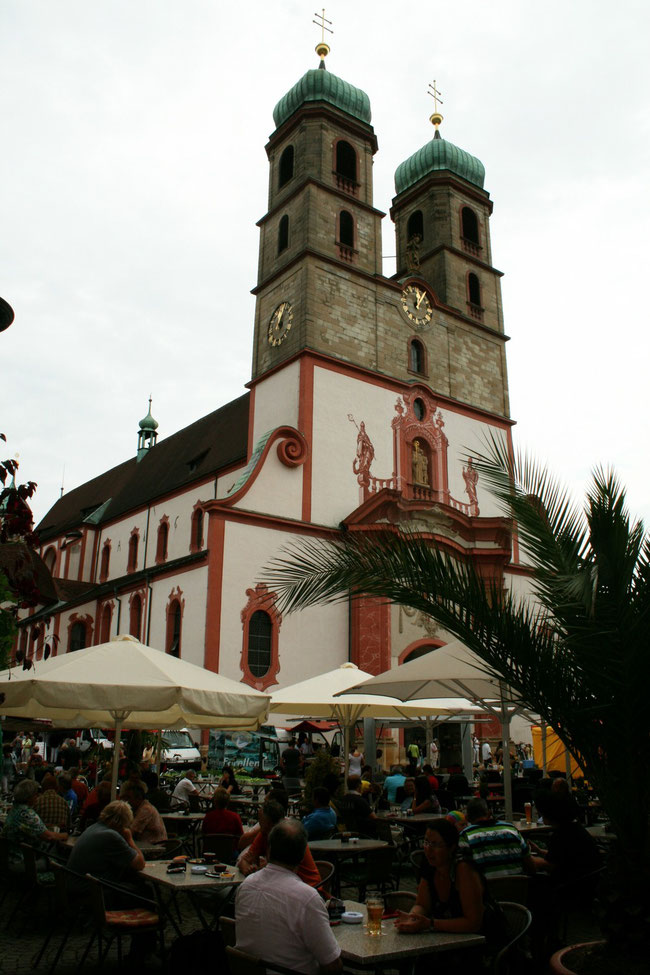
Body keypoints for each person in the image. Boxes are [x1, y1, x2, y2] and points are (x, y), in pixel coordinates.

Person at [236, 818, 342, 975]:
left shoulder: (245, 886)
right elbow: (332, 964)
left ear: (269, 850)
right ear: (302, 856)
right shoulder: (307, 899)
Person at [395, 819, 487, 938]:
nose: (428, 849)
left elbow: (473, 923)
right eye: (426, 842)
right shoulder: (430, 865)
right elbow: (422, 905)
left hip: (479, 941)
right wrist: (413, 918)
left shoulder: (463, 869)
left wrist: (430, 924)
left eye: (435, 844)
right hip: (446, 939)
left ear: (451, 847)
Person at [67, 799, 146, 892]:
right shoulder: (111, 836)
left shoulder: (93, 827)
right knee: (144, 890)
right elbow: (140, 864)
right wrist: (129, 838)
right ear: (124, 822)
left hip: (75, 884)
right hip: (90, 890)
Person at [239, 800, 321, 886]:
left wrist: (262, 870)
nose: (259, 824)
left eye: (261, 821)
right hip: (284, 885)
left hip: (307, 886)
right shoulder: (264, 834)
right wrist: (248, 870)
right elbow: (244, 860)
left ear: (270, 824)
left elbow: (281, 871)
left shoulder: (290, 838)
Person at [2, 779, 69, 874]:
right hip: (22, 863)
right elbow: (49, 837)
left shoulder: (15, 810)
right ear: (29, 797)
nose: (38, 797)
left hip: (8, 860)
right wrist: (64, 835)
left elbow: (32, 826)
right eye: (36, 795)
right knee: (61, 861)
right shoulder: (27, 814)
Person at [458, 798, 535, 880]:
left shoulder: (465, 836)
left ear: (467, 818)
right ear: (489, 813)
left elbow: (465, 873)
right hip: (518, 889)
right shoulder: (511, 830)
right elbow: (531, 866)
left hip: (485, 891)